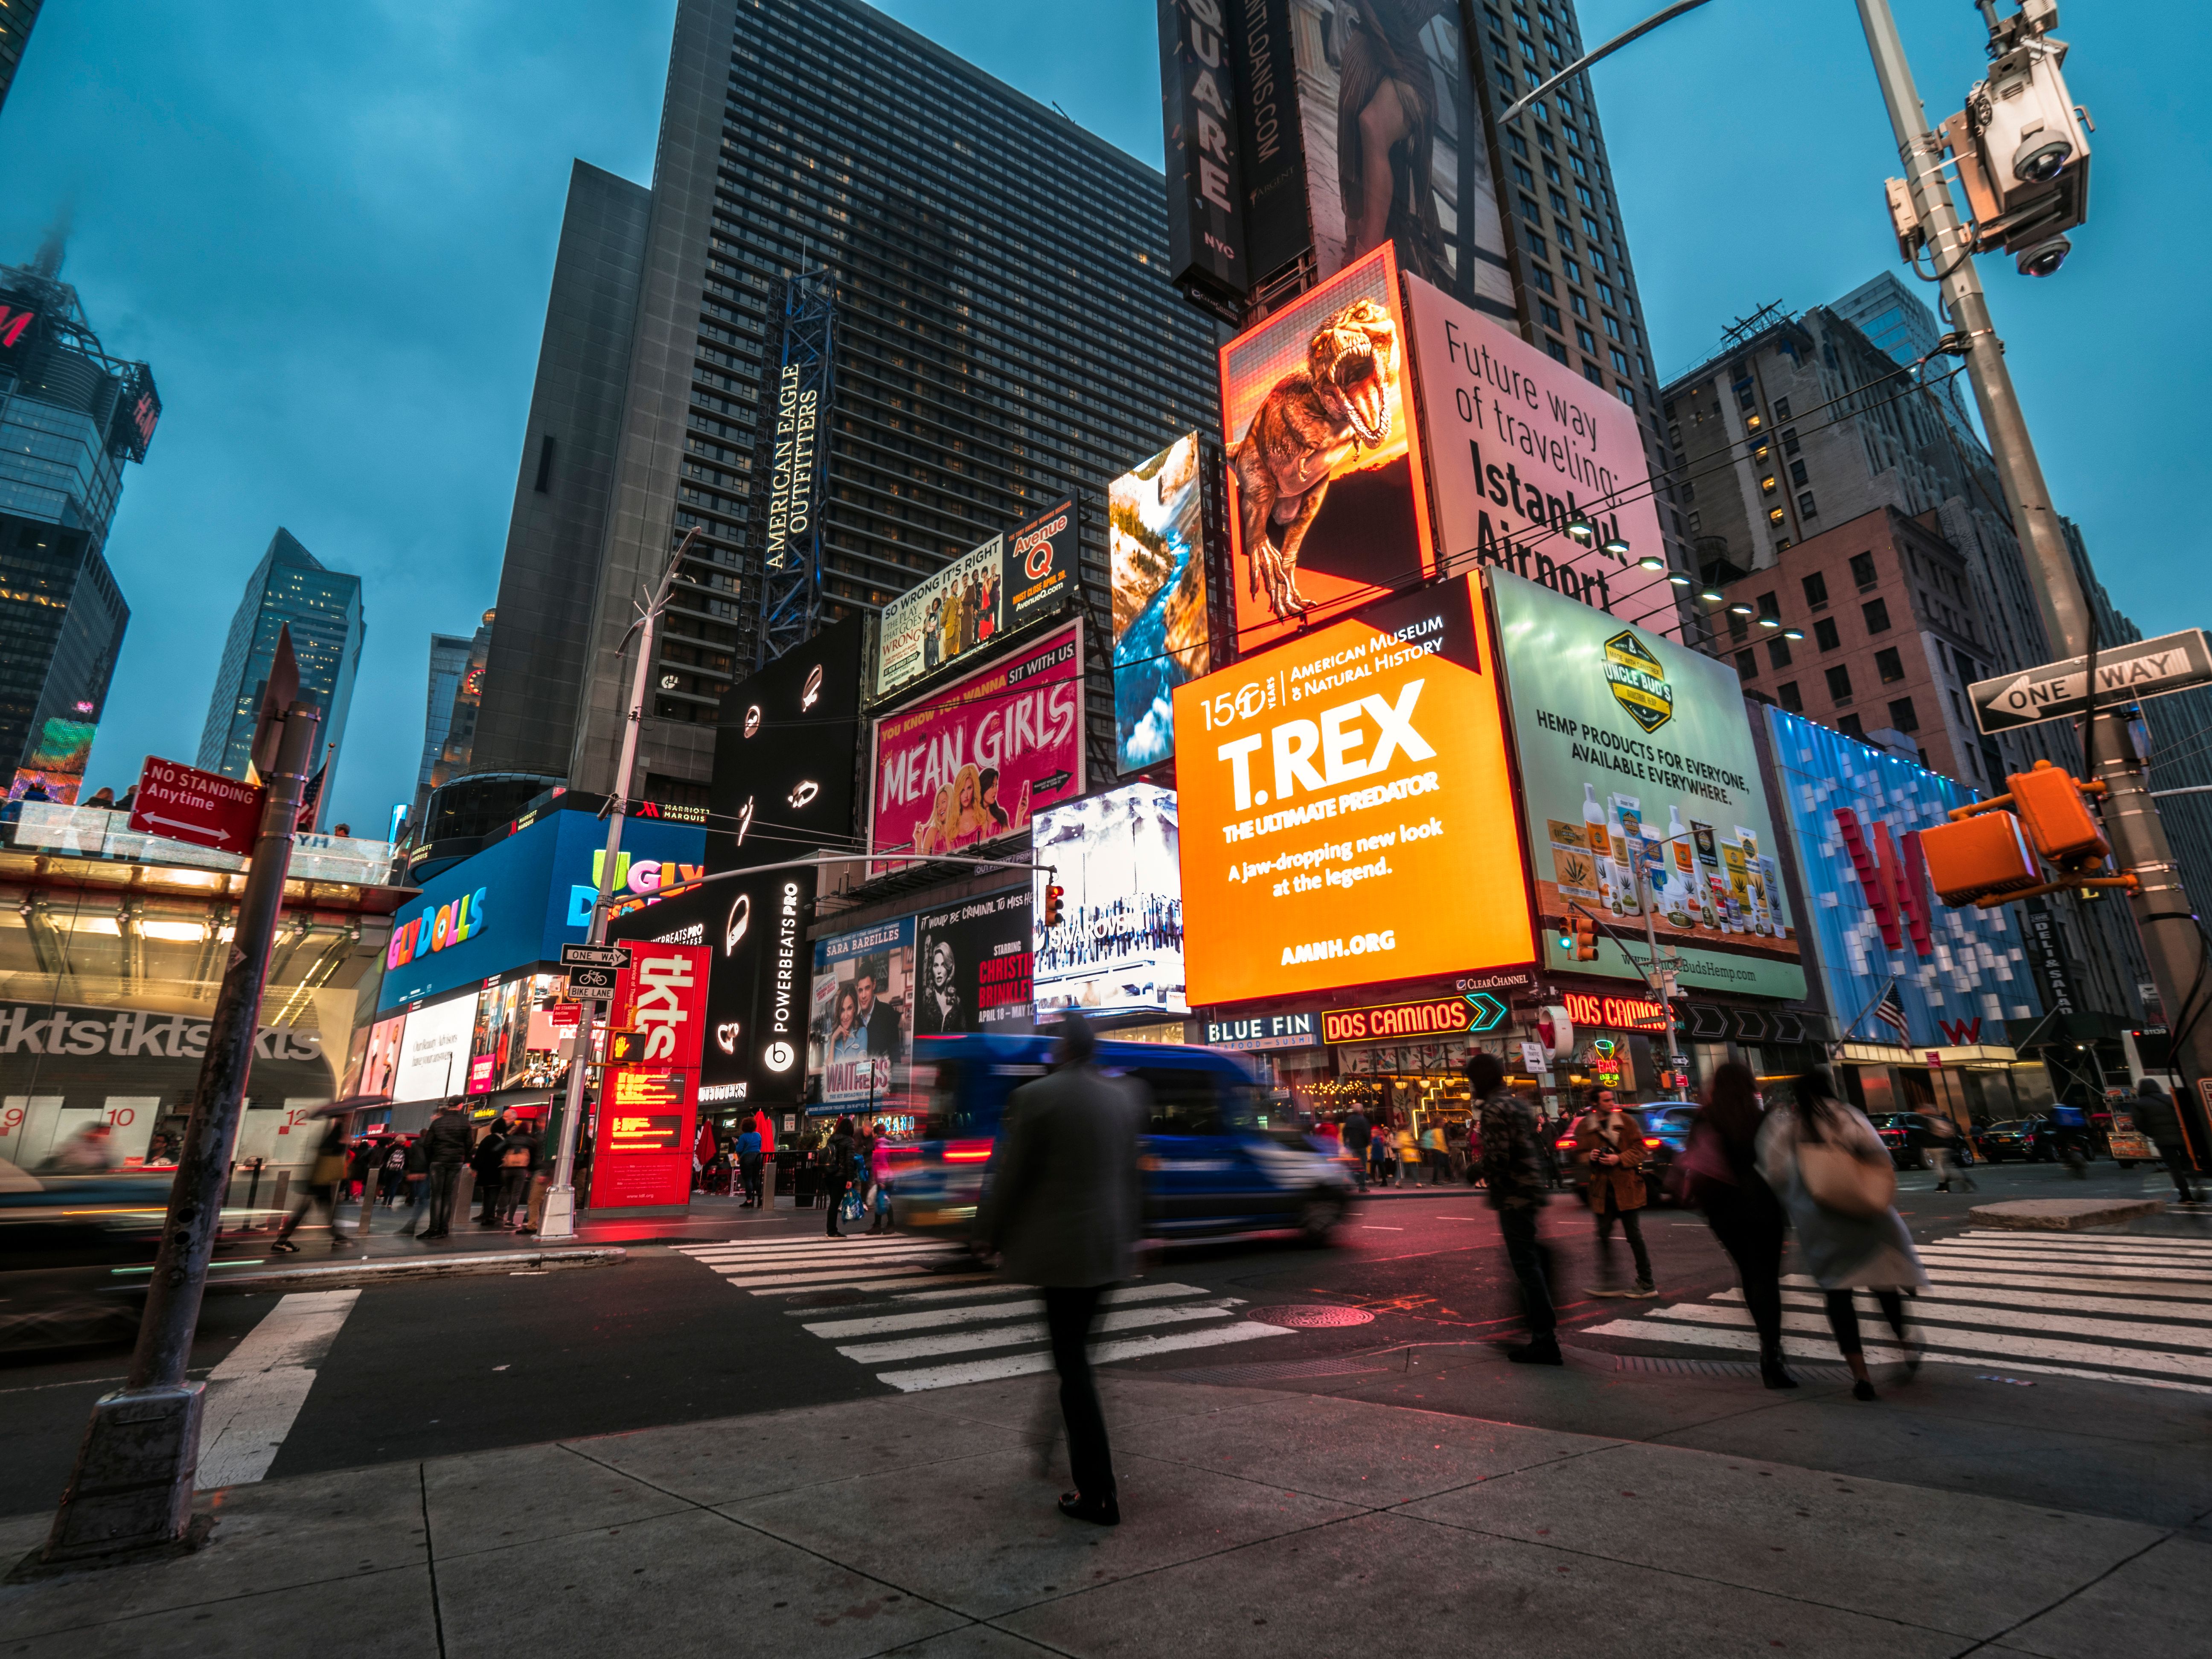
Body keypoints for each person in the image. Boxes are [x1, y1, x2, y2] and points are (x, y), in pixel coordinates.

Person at [975, 1011, 1145, 1525]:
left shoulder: (1036, 1098)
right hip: (1109, 1249)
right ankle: (1052, 1444)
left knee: (1072, 1366)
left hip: (1064, 1256)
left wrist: (990, 1234)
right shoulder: (1124, 1097)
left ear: (1063, 1048)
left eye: (1052, 1046)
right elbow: (1134, 1175)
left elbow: (1013, 1177)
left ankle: (1098, 1494)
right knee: (1076, 1360)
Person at [1758, 1067, 1927, 1401]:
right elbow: (1880, 1159)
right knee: (1883, 1285)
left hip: (1821, 1225)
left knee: (1838, 1297)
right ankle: (1905, 1343)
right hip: (1864, 1214)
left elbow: (1773, 1174)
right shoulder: (1850, 1117)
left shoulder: (1789, 1130)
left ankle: (1861, 1376)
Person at [1682, 1062, 1793, 1388]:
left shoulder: (1705, 1118)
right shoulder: (1762, 1118)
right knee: (1767, 1279)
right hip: (1763, 1207)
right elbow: (1781, 1163)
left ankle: (1768, 1347)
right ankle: (1771, 1352)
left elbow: (1693, 1159)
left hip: (1723, 1210)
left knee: (1748, 1274)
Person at [1472, 1052, 1558, 1364]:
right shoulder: (1518, 1105)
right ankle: (1539, 1330)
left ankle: (1544, 1338)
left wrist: (1476, 1171)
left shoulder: (1494, 1109)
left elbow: (1500, 1158)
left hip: (1513, 1195)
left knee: (1526, 1267)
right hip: (1530, 1189)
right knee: (1529, 1261)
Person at [1577, 1092, 1656, 1299]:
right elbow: (1578, 1154)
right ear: (1595, 1103)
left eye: (1611, 1099)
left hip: (1626, 1187)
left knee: (1634, 1236)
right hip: (1602, 1191)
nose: (1612, 1103)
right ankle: (1609, 1282)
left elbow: (1641, 1149)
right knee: (1603, 1235)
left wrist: (1618, 1158)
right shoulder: (1585, 1126)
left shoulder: (1626, 1122)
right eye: (1606, 1100)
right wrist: (1590, 1156)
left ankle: (1646, 1282)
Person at [272, 1115, 351, 1252]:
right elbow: (331, 1157)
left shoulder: (334, 1135)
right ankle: (338, 1237)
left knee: (311, 1211)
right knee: (323, 1212)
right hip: (321, 1182)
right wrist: (343, 1143)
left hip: (319, 1181)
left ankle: (283, 1240)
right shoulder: (335, 1136)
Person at [2127, 1077, 2203, 1204]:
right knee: (2189, 1163)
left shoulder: (2139, 1104)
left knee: (2175, 1168)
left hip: (2162, 1140)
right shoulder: (2170, 1099)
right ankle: (2198, 1185)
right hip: (2181, 1136)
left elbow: (2138, 1123)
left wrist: (2152, 1134)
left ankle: (2186, 1195)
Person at [415, 1098, 470, 1239]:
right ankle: (444, 1228)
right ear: (460, 1106)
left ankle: (434, 1228)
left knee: (437, 1195)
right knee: (448, 1194)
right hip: (456, 1161)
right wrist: (464, 1157)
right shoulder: (465, 1122)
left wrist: (432, 1158)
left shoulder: (438, 1122)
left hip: (438, 1161)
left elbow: (428, 1144)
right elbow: (469, 1144)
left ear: (448, 1106)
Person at [1918, 1109, 1976, 1193]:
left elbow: (1925, 1135)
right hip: (1946, 1145)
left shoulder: (1927, 1120)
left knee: (1939, 1166)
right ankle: (1960, 1182)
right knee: (1947, 1166)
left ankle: (1945, 1184)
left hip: (1935, 1146)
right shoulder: (1942, 1120)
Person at [497, 1117, 541, 1226]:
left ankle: (500, 1214)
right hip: (521, 1169)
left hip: (507, 1169)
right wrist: (530, 1169)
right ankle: (510, 1220)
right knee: (516, 1195)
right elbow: (535, 1155)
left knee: (506, 1191)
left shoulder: (510, 1139)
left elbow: (497, 1148)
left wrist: (504, 1156)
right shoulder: (530, 1140)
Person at [472, 1112, 513, 1226]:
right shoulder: (508, 1139)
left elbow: (480, 1155)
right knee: (495, 1194)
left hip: (486, 1171)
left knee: (487, 1194)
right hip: (500, 1171)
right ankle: (490, 1216)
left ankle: (487, 1216)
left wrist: (474, 1168)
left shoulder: (488, 1139)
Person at [854, 963, 901, 1057]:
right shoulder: (855, 1023)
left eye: (867, 988)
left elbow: (896, 1059)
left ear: (874, 984)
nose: (863, 996)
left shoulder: (888, 1013)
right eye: (860, 990)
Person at [821, 1116, 857, 1237]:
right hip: (840, 1176)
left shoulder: (832, 1139)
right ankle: (831, 1230)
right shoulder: (849, 1141)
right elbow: (849, 1161)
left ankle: (831, 1229)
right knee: (835, 1204)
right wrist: (850, 1179)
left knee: (833, 1203)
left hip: (829, 1174)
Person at [40, 1121, 119, 1173]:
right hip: (69, 1181)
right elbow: (88, 1162)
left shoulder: (100, 1148)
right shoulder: (75, 1145)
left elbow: (108, 1165)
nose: (106, 1136)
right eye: (103, 1133)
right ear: (90, 1133)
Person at [2052, 1083, 2094, 1177]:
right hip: (2075, 1134)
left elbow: (2053, 1124)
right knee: (2079, 1145)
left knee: (2061, 1147)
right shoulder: (2070, 1115)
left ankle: (2067, 1162)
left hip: (2064, 1135)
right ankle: (2083, 1159)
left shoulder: (2057, 1116)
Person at [736, 1117, 765, 1208]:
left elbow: (739, 1149)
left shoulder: (743, 1137)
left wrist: (737, 1144)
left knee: (748, 1179)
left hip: (747, 1158)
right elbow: (760, 1146)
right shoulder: (758, 1135)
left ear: (744, 1127)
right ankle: (761, 1199)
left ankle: (749, 1200)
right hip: (758, 1157)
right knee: (756, 1178)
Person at [1340, 1106, 1372, 1193]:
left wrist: (1346, 1143)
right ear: (1361, 1111)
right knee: (1363, 1166)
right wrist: (1367, 1143)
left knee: (1353, 1166)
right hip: (1361, 1146)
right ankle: (1362, 1187)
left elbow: (1345, 1132)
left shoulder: (1349, 1119)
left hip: (1352, 1146)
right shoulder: (1363, 1120)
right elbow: (1367, 1133)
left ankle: (1348, 1183)